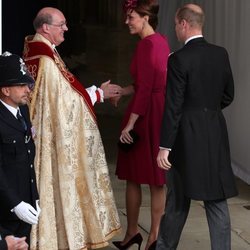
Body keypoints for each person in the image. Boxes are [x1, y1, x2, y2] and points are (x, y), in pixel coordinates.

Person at [23, 7, 121, 250]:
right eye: (62, 24)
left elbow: (63, 95)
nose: (66, 28)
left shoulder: (34, 50)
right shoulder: (44, 59)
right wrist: (99, 93)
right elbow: (65, 106)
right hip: (49, 138)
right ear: (46, 28)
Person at [156, 3, 238, 250]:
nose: (176, 30)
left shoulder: (179, 59)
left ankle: (165, 248)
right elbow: (228, 95)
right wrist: (206, 114)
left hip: (184, 137)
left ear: (183, 23)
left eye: (175, 25)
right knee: (216, 199)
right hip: (214, 132)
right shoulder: (220, 53)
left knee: (178, 200)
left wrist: (164, 146)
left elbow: (173, 106)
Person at [113, 1, 170, 249]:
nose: (127, 21)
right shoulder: (160, 41)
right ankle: (152, 237)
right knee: (156, 178)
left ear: (145, 17)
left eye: (131, 17)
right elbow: (146, 83)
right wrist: (123, 91)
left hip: (144, 115)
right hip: (156, 111)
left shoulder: (147, 45)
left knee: (134, 176)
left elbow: (146, 88)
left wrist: (130, 124)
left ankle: (135, 233)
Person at [0, 52, 40, 246]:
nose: (27, 90)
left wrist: (35, 197)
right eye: (21, 85)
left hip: (25, 206)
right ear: (6, 90)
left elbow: (27, 160)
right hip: (6, 212)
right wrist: (15, 204)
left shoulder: (20, 112)